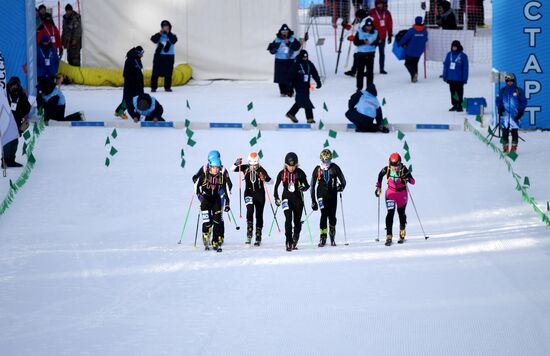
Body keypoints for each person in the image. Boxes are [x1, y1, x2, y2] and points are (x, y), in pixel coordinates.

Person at [231, 152, 272, 246]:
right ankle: (249, 232)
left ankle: (258, 235)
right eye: (251, 165)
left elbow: (271, 181)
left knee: (259, 214)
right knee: (250, 210)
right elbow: (232, 169)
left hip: (260, 195)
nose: (253, 167)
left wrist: (264, 178)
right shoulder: (245, 167)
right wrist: (236, 163)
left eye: (255, 165)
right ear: (249, 163)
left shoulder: (261, 170)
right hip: (248, 193)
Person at [375, 153, 415, 246]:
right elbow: (380, 175)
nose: (394, 168)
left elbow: (413, 181)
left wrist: (407, 178)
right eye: (392, 166)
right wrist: (378, 188)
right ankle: (389, 235)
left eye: (396, 166)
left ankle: (402, 231)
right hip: (390, 193)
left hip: (402, 194)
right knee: (390, 213)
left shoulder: (404, 169)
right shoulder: (387, 168)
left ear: (399, 163)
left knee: (401, 213)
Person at [274, 152, 310, 251]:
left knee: (297, 221)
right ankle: (288, 240)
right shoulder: (282, 173)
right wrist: (276, 198)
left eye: (294, 166)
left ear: (296, 165)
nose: (292, 168)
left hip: (298, 200)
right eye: (289, 166)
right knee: (288, 219)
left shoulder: (300, 173)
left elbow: (307, 185)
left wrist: (304, 187)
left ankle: (296, 236)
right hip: (286, 199)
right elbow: (275, 187)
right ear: (285, 165)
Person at [310, 149, 346, 247]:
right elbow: (312, 186)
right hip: (321, 195)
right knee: (324, 214)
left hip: (332, 195)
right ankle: (323, 236)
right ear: (321, 160)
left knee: (332, 216)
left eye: (328, 161)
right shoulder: (317, 169)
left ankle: (332, 233)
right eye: (324, 161)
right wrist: (313, 201)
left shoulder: (335, 168)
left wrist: (341, 187)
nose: (326, 163)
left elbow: (343, 181)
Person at [195, 154, 231, 252]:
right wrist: (199, 196)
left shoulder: (221, 176)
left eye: (218, 168)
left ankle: (215, 241)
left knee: (217, 221)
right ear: (210, 167)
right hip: (205, 200)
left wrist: (227, 202)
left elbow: (225, 189)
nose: (216, 170)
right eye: (214, 168)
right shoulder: (204, 176)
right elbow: (196, 186)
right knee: (207, 222)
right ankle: (205, 235)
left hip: (216, 199)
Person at [285, 50, 322, 124]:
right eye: (304, 57)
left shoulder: (309, 63)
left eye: (306, 57)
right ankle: (310, 118)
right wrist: (290, 89)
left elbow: (314, 72)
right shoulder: (296, 65)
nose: (305, 58)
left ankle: (291, 113)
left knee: (301, 100)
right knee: (305, 100)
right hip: (298, 85)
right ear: (300, 57)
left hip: (306, 85)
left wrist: (318, 81)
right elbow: (290, 77)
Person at [3, 77, 31, 168]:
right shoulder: (4, 93)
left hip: (17, 121)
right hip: (6, 120)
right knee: (7, 141)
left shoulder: (21, 94)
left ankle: (11, 160)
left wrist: (20, 115)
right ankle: (5, 160)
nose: (14, 87)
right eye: (13, 85)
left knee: (15, 141)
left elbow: (27, 107)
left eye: (16, 85)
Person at [267, 24, 301, 97]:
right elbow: (271, 50)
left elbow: (297, 47)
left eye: (286, 31)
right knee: (280, 77)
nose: (284, 32)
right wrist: (273, 50)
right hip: (279, 61)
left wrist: (288, 43)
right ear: (280, 32)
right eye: (283, 31)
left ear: (288, 32)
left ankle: (290, 91)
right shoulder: (277, 39)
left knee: (290, 76)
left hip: (290, 60)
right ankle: (282, 91)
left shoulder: (292, 39)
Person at [496, 74, 527, 154]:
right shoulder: (502, 90)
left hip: (515, 115)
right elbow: (498, 100)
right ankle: (505, 147)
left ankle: (513, 148)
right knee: (505, 132)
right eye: (508, 81)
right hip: (505, 115)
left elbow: (523, 101)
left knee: (514, 131)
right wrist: (500, 107)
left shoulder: (518, 90)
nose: (509, 83)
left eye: (511, 81)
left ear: (514, 81)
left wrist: (521, 111)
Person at [115, 46, 145, 120]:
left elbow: (139, 71)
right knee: (127, 99)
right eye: (141, 53)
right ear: (137, 53)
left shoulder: (137, 59)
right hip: (131, 85)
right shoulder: (129, 60)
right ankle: (119, 111)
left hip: (138, 84)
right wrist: (133, 82)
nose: (142, 55)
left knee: (139, 98)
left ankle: (138, 114)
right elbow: (126, 74)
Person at [397, 16, 428, 83]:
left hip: (410, 51)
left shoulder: (412, 31)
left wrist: (399, 44)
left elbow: (405, 38)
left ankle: (414, 74)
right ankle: (414, 78)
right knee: (415, 63)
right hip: (419, 51)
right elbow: (426, 39)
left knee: (407, 63)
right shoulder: (425, 31)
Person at [150, 20, 177, 92]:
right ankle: (153, 87)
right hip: (159, 56)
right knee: (155, 72)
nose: (165, 27)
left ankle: (167, 87)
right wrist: (159, 33)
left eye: (167, 26)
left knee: (168, 72)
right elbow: (153, 40)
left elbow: (174, 40)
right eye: (164, 26)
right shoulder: (159, 34)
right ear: (162, 27)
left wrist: (168, 33)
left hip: (169, 56)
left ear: (169, 27)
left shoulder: (173, 35)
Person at [353, 17, 379, 90]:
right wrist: (363, 42)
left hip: (370, 54)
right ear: (365, 25)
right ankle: (359, 87)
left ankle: (369, 87)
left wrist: (373, 43)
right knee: (360, 71)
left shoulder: (375, 32)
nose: (369, 28)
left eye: (370, 26)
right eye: (367, 26)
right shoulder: (360, 32)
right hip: (361, 54)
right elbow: (355, 42)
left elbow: (378, 41)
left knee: (370, 72)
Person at [442, 40, 468, 112]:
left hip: (459, 79)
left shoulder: (463, 56)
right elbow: (446, 66)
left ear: (458, 47)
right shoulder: (449, 54)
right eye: (453, 47)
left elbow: (465, 68)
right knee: (453, 92)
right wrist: (445, 75)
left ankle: (460, 105)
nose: (454, 48)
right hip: (451, 78)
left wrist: (464, 78)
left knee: (459, 92)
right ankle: (455, 104)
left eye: (455, 47)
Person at [369, 0, 393, 74]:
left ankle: (381, 69)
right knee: (370, 54)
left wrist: (389, 34)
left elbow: (389, 24)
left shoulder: (387, 13)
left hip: (382, 37)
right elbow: (367, 22)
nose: (380, 5)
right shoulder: (371, 12)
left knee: (382, 53)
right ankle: (370, 69)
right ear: (376, 4)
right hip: (373, 37)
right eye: (378, 4)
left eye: (381, 4)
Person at [344, 9, 369, 77]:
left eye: (357, 17)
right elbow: (357, 28)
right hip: (361, 43)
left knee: (364, 57)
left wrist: (355, 38)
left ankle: (366, 71)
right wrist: (348, 27)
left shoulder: (367, 21)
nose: (357, 19)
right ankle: (354, 70)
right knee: (356, 55)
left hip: (366, 43)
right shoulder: (363, 21)